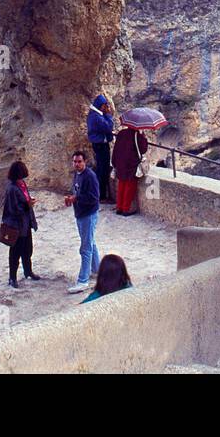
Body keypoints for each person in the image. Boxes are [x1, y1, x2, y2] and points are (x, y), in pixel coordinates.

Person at [64, 149, 101, 294]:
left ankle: (83, 281)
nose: (77, 164)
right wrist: (71, 198)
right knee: (90, 242)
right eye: (75, 161)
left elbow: (94, 198)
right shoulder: (77, 175)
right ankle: (96, 270)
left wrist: (76, 199)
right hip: (80, 214)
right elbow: (77, 192)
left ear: (85, 161)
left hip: (88, 215)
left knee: (85, 248)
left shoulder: (90, 177)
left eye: (79, 161)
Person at [2, 160, 40, 288]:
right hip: (17, 226)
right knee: (15, 252)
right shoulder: (12, 189)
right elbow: (13, 209)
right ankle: (12, 278)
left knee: (27, 249)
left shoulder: (21, 184)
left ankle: (28, 271)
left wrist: (28, 203)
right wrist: (27, 205)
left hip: (25, 224)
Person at [110, 123, 148, 216]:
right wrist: (144, 138)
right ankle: (126, 209)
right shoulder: (137, 136)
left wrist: (114, 162)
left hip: (120, 163)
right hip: (131, 164)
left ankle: (119, 207)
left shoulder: (121, 133)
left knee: (121, 185)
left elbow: (116, 148)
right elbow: (143, 150)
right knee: (130, 186)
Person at [87, 94, 116, 203]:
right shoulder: (96, 117)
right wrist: (108, 115)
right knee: (102, 170)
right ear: (101, 106)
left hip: (99, 144)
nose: (106, 108)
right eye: (105, 106)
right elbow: (109, 127)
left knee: (102, 169)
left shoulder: (94, 115)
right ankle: (101, 196)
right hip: (101, 145)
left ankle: (101, 195)